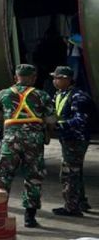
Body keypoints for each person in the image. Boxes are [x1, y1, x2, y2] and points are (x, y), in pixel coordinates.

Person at [0, 64, 56, 228]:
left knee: (3, 175)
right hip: (34, 140)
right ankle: (29, 217)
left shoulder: (3, 94)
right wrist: (47, 132)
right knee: (33, 176)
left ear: (16, 77)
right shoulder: (42, 95)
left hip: (11, 139)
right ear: (33, 78)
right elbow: (51, 120)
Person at [50, 66, 93, 216]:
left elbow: (80, 120)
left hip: (76, 139)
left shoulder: (78, 96)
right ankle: (81, 202)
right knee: (76, 171)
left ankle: (71, 207)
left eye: (57, 78)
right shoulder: (60, 94)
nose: (54, 81)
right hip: (66, 138)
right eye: (54, 78)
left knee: (69, 173)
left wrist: (58, 125)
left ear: (67, 79)